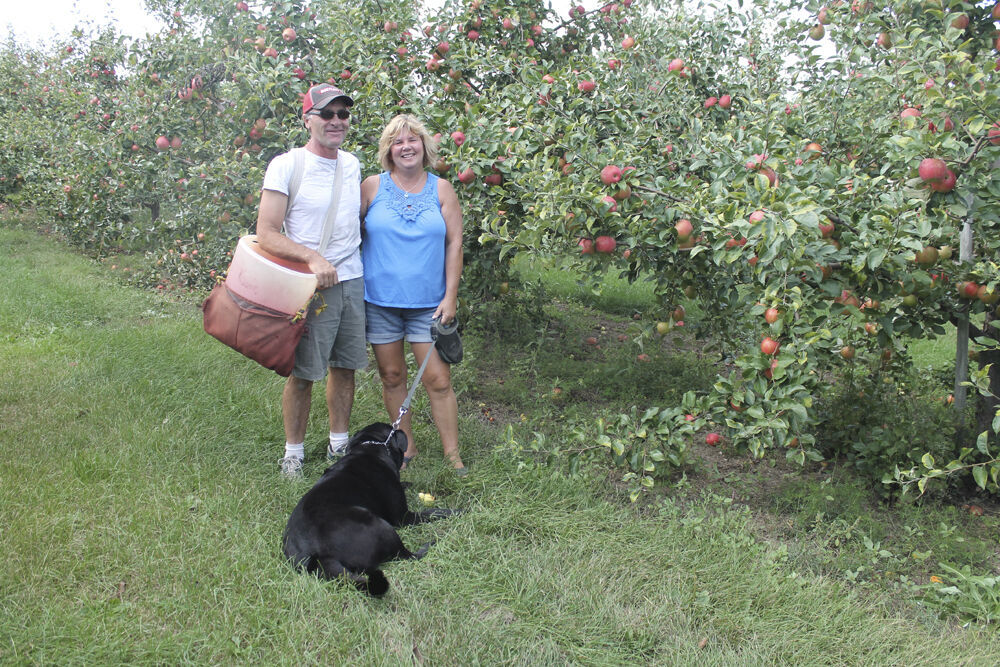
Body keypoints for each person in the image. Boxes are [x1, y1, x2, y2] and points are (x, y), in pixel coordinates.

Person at [256, 83, 367, 478]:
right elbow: (267, 231)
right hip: (311, 285)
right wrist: (311, 257)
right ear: (308, 120)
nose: (337, 121)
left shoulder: (352, 165)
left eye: (343, 114)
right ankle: (294, 454)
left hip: (352, 280)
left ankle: (340, 446)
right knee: (303, 373)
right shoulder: (287, 165)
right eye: (327, 114)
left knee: (345, 367)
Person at [360, 114, 466, 474]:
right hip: (380, 303)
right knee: (392, 377)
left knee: (438, 380)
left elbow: (455, 245)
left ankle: (453, 455)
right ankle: (406, 450)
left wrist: (450, 296)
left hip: (428, 305)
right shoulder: (371, 187)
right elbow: (348, 234)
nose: (406, 147)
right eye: (397, 141)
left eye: (412, 140)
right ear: (388, 150)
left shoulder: (442, 189)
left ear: (424, 146)